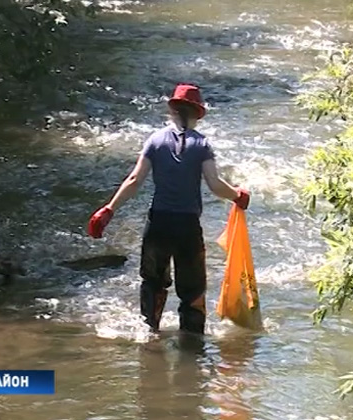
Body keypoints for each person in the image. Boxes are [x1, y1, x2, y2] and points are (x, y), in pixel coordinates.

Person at [87, 83, 250, 335]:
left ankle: (150, 337)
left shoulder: (155, 140)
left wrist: (108, 210)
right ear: (197, 114)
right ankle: (192, 347)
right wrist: (238, 196)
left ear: (172, 110)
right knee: (192, 291)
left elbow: (134, 180)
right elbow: (215, 184)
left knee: (152, 283)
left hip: (158, 225)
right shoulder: (202, 144)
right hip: (187, 227)